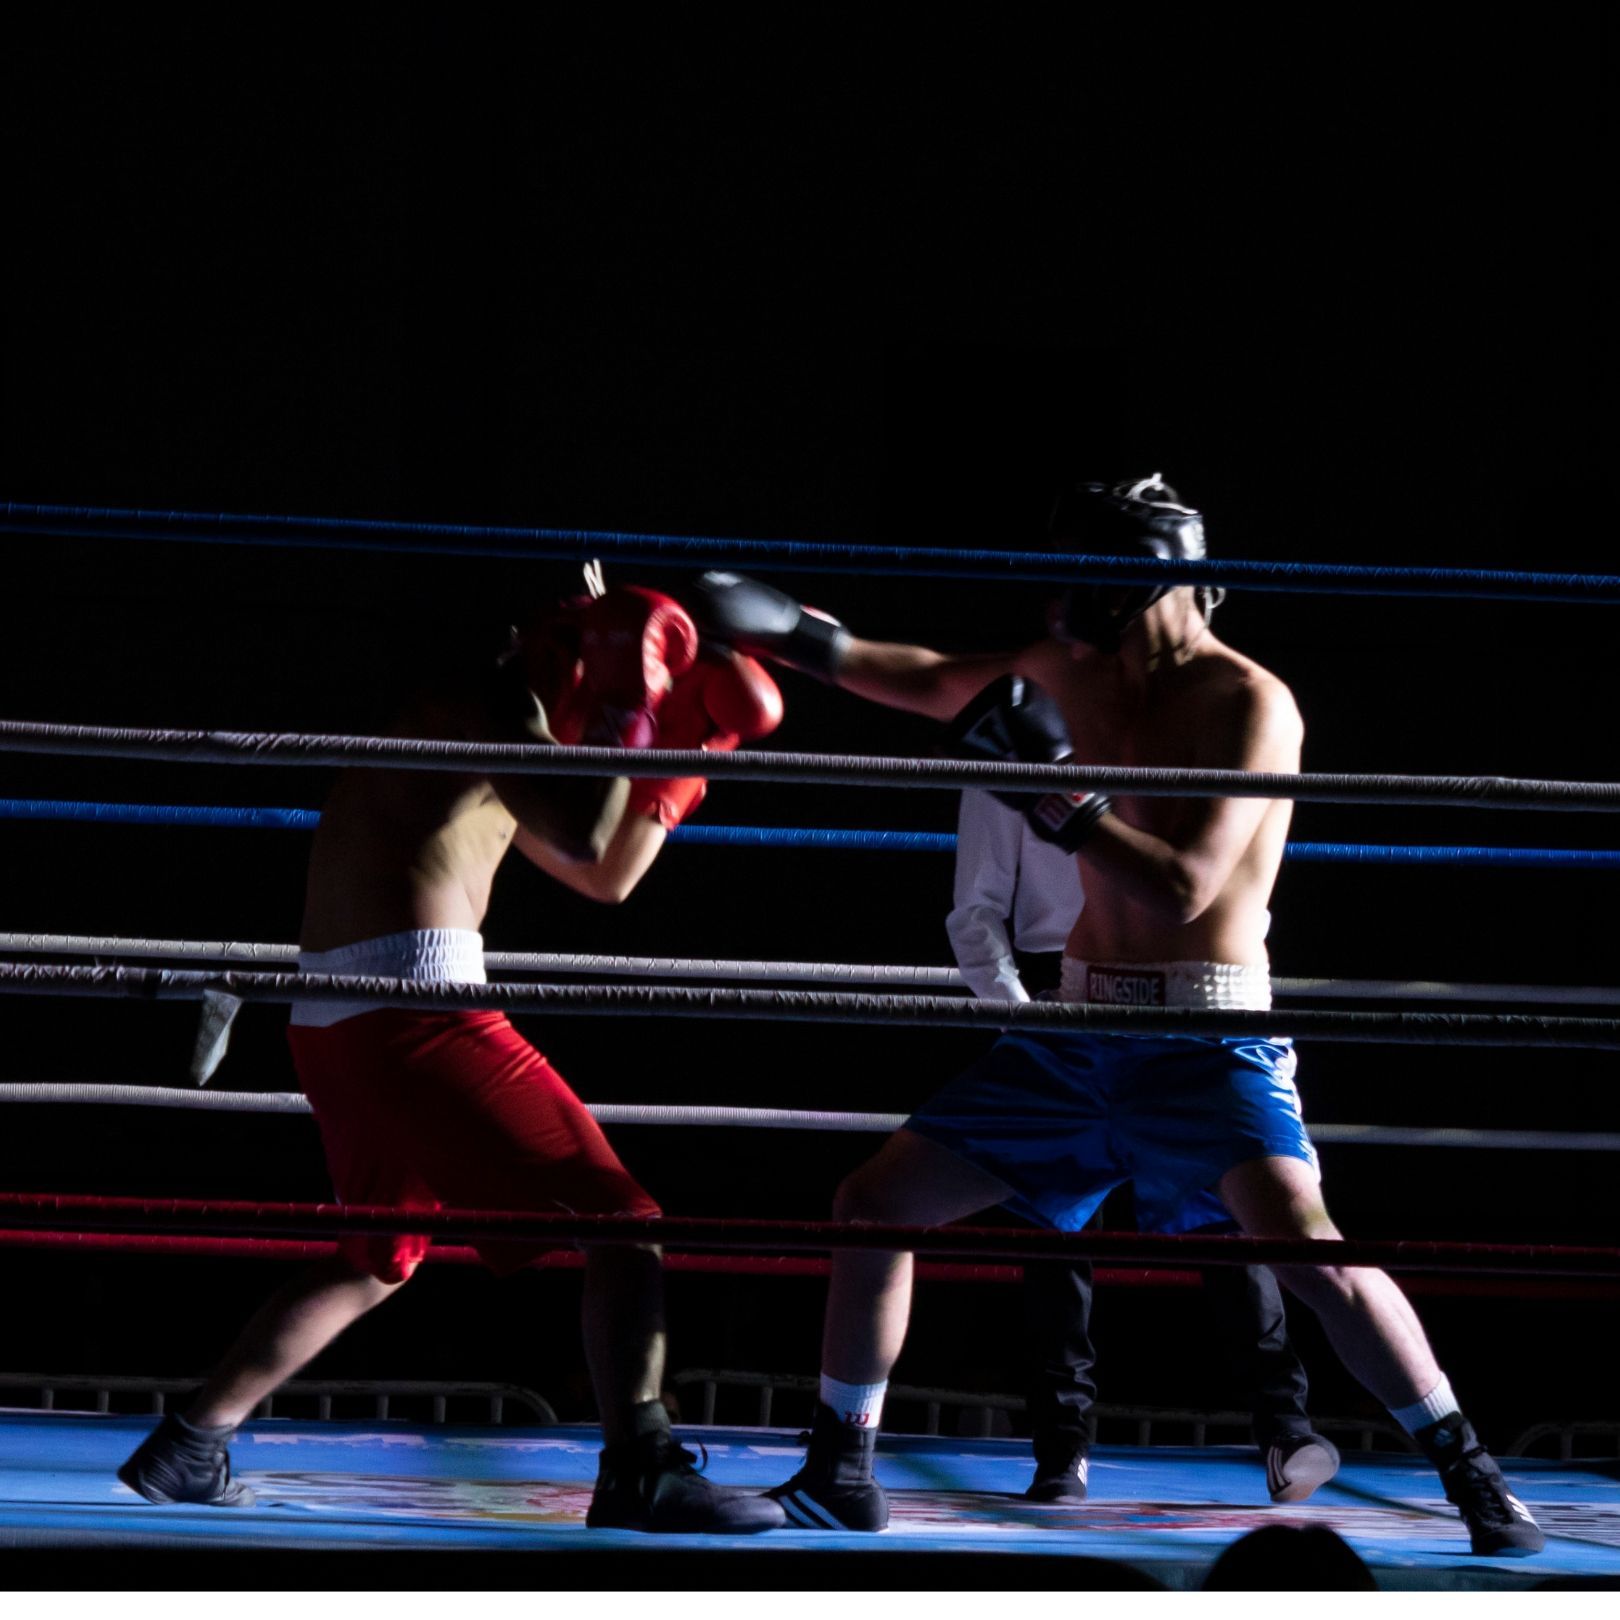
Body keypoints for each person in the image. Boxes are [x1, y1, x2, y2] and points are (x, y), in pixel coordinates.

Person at [683, 477, 1544, 1556]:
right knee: (872, 1205)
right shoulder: (1072, 669)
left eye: (1083, 576)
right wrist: (790, 633)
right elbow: (919, 676)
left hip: (1203, 1034)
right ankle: (842, 1469)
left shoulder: (1247, 702)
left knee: (1313, 1255)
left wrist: (1058, 799)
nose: (1061, 602)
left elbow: (1184, 886)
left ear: (1137, 579)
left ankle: (1473, 1474)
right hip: (1076, 1030)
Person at [118, 583, 789, 1535]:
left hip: (341, 1016)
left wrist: (691, 760)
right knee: (624, 1223)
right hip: (412, 1005)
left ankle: (190, 1444)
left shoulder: (508, 735)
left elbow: (606, 876)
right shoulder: (484, 706)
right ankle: (640, 1467)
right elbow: (585, 832)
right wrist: (629, 706)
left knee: (376, 1254)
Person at [951, 788, 1335, 1505]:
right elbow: (974, 909)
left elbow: (1238, 881)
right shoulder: (1012, 745)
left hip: (1187, 991)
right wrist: (1029, 1021)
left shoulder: (1186, 729)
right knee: (1053, 1228)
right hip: (1060, 990)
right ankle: (1062, 1449)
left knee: (1234, 1216)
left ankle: (1285, 1427)